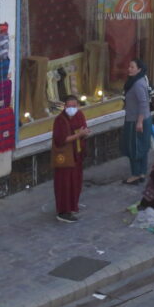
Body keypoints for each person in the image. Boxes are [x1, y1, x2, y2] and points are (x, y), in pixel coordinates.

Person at [52, 94, 90, 223]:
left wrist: (84, 134)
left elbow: (84, 129)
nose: (71, 109)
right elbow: (61, 139)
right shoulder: (60, 120)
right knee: (65, 184)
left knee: (75, 183)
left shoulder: (80, 115)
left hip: (77, 155)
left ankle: (72, 207)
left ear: (78, 106)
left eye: (74, 106)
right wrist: (79, 134)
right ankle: (63, 211)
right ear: (64, 106)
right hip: (66, 157)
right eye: (68, 106)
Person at [120, 58, 153, 185]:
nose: (129, 69)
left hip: (136, 120)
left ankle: (135, 174)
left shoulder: (138, 84)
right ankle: (142, 172)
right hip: (141, 118)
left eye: (132, 67)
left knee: (133, 147)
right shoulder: (138, 80)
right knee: (143, 147)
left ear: (139, 69)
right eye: (129, 66)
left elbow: (143, 103)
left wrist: (139, 122)